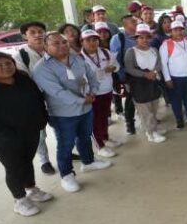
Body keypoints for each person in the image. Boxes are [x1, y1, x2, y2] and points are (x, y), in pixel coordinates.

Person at [0, 53, 52, 216]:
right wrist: (7, 134)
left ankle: (31, 189)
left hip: (30, 132)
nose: (5, 67)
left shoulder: (24, 81)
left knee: (27, 162)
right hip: (4, 139)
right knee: (14, 168)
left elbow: (38, 101)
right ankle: (19, 200)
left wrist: (41, 121)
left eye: (8, 63)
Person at [33, 33, 111, 193]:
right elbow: (57, 92)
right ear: (46, 47)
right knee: (65, 145)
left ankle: (88, 162)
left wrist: (93, 92)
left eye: (64, 42)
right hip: (63, 114)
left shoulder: (77, 58)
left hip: (86, 108)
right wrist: (82, 100)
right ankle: (67, 175)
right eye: (56, 43)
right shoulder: (42, 68)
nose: (62, 45)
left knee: (85, 137)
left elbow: (92, 76)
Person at [13, 21, 55, 175]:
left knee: (60, 127)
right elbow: (22, 79)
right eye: (32, 32)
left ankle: (66, 152)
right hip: (34, 100)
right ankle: (44, 161)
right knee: (39, 132)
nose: (38, 35)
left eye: (40, 31)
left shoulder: (52, 50)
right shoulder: (21, 55)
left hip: (56, 97)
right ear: (25, 36)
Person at [80, 29, 121, 157]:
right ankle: (100, 146)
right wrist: (102, 72)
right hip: (92, 94)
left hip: (107, 90)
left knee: (104, 117)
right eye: (88, 40)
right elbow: (81, 78)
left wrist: (113, 68)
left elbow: (117, 66)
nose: (93, 43)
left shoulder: (105, 52)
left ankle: (105, 138)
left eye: (95, 40)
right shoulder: (78, 58)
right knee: (94, 120)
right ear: (82, 42)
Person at [124, 24, 166, 143]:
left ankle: (154, 128)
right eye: (141, 37)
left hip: (153, 83)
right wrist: (145, 74)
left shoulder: (154, 50)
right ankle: (150, 133)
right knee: (145, 111)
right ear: (136, 39)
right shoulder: (131, 52)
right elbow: (129, 68)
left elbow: (159, 64)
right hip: (140, 85)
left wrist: (154, 72)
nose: (144, 40)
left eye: (147, 37)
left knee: (154, 108)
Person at [160, 20, 187, 129]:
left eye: (180, 29)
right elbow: (163, 63)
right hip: (175, 78)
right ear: (171, 32)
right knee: (176, 100)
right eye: (175, 30)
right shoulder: (166, 44)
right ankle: (179, 120)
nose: (179, 32)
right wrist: (167, 79)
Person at [110, 14, 138, 134]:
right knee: (130, 99)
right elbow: (115, 60)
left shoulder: (140, 35)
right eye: (133, 22)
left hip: (143, 73)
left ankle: (148, 118)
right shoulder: (118, 38)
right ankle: (130, 123)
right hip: (128, 74)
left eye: (135, 21)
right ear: (125, 25)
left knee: (145, 96)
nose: (136, 23)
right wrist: (122, 76)